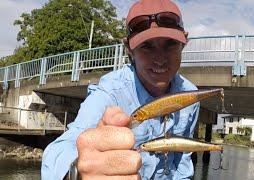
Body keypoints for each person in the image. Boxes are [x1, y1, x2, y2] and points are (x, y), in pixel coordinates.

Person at [41, 0, 200, 179]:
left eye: (170, 44)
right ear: (129, 49)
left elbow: (181, 164)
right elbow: (61, 147)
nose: (160, 58)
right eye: (146, 46)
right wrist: (77, 171)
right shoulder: (111, 91)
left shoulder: (190, 95)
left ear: (184, 42)